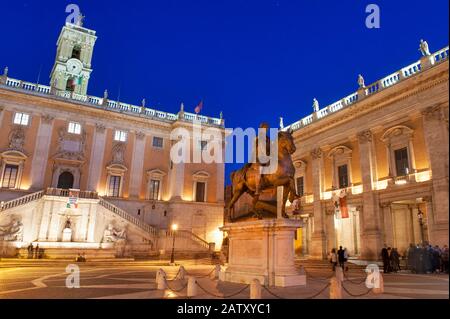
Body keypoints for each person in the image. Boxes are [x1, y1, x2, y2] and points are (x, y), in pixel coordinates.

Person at [253, 122, 271, 198]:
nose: (266, 130)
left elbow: (270, 148)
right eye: (264, 128)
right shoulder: (257, 137)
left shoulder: (268, 138)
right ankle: (257, 188)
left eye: (266, 129)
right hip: (258, 157)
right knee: (259, 169)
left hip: (267, 156)